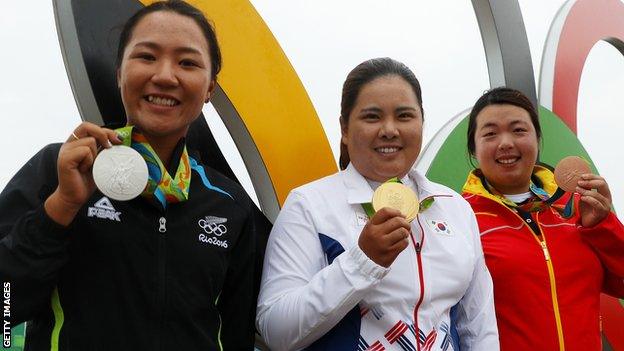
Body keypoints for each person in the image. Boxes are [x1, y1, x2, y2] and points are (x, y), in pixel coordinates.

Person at [0, 1, 269, 350]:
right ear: (119, 73)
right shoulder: (60, 170)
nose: (165, 76)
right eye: (147, 57)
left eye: (187, 62)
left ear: (209, 90)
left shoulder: (229, 204)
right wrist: (60, 209)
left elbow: (236, 333)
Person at [256, 57, 499, 351]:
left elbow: (478, 326)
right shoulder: (309, 205)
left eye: (404, 116)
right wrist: (363, 261)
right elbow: (276, 330)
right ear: (345, 129)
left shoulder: (455, 207)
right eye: (372, 117)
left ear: (422, 121)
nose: (389, 130)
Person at [461, 87, 624, 351]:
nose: (506, 143)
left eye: (518, 130)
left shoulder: (575, 210)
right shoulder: (461, 218)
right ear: (473, 149)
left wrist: (603, 226)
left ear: (537, 139)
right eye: (490, 133)